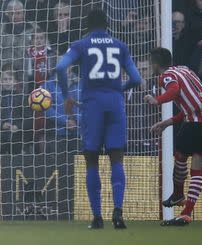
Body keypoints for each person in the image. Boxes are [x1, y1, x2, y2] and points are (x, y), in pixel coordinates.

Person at [55, 9, 142, 229]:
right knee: (117, 158)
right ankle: (119, 213)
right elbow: (137, 78)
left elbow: (61, 66)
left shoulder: (81, 45)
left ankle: (97, 217)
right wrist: (118, 89)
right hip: (115, 104)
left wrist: (67, 98)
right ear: (107, 24)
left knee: (91, 159)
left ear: (87, 25)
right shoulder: (120, 46)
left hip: (92, 104)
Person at [144, 47, 202, 226]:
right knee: (197, 168)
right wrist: (166, 123)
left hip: (198, 124)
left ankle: (179, 194)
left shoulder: (166, 77)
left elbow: (173, 89)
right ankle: (186, 213)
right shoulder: (186, 69)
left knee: (180, 155)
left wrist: (157, 100)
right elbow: (193, 105)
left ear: (155, 64)